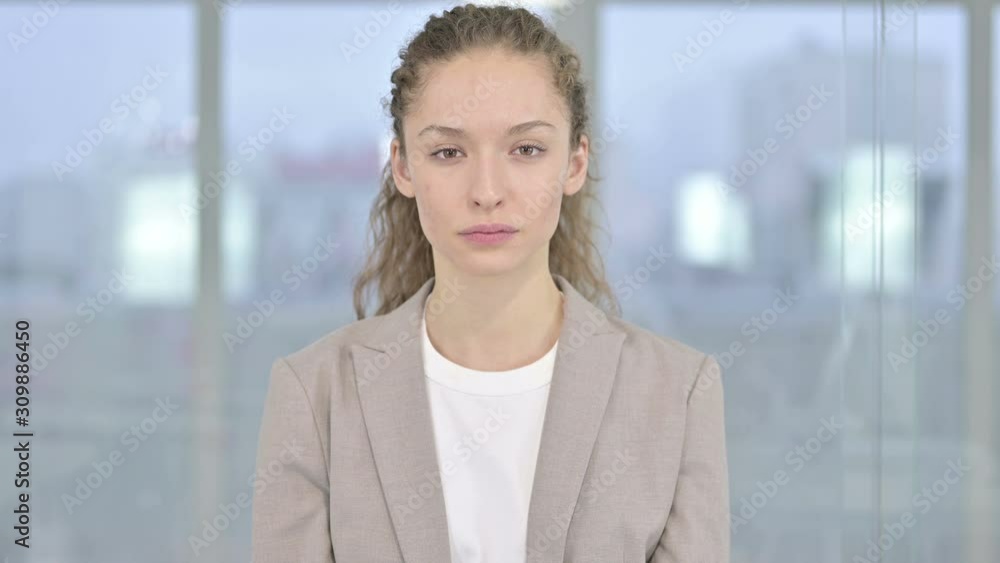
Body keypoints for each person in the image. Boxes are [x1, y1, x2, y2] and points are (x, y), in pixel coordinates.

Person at [251, 4, 729, 562]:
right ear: (403, 167)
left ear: (575, 163)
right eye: (448, 152)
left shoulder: (677, 393)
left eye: (526, 150)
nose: (486, 192)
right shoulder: (315, 393)